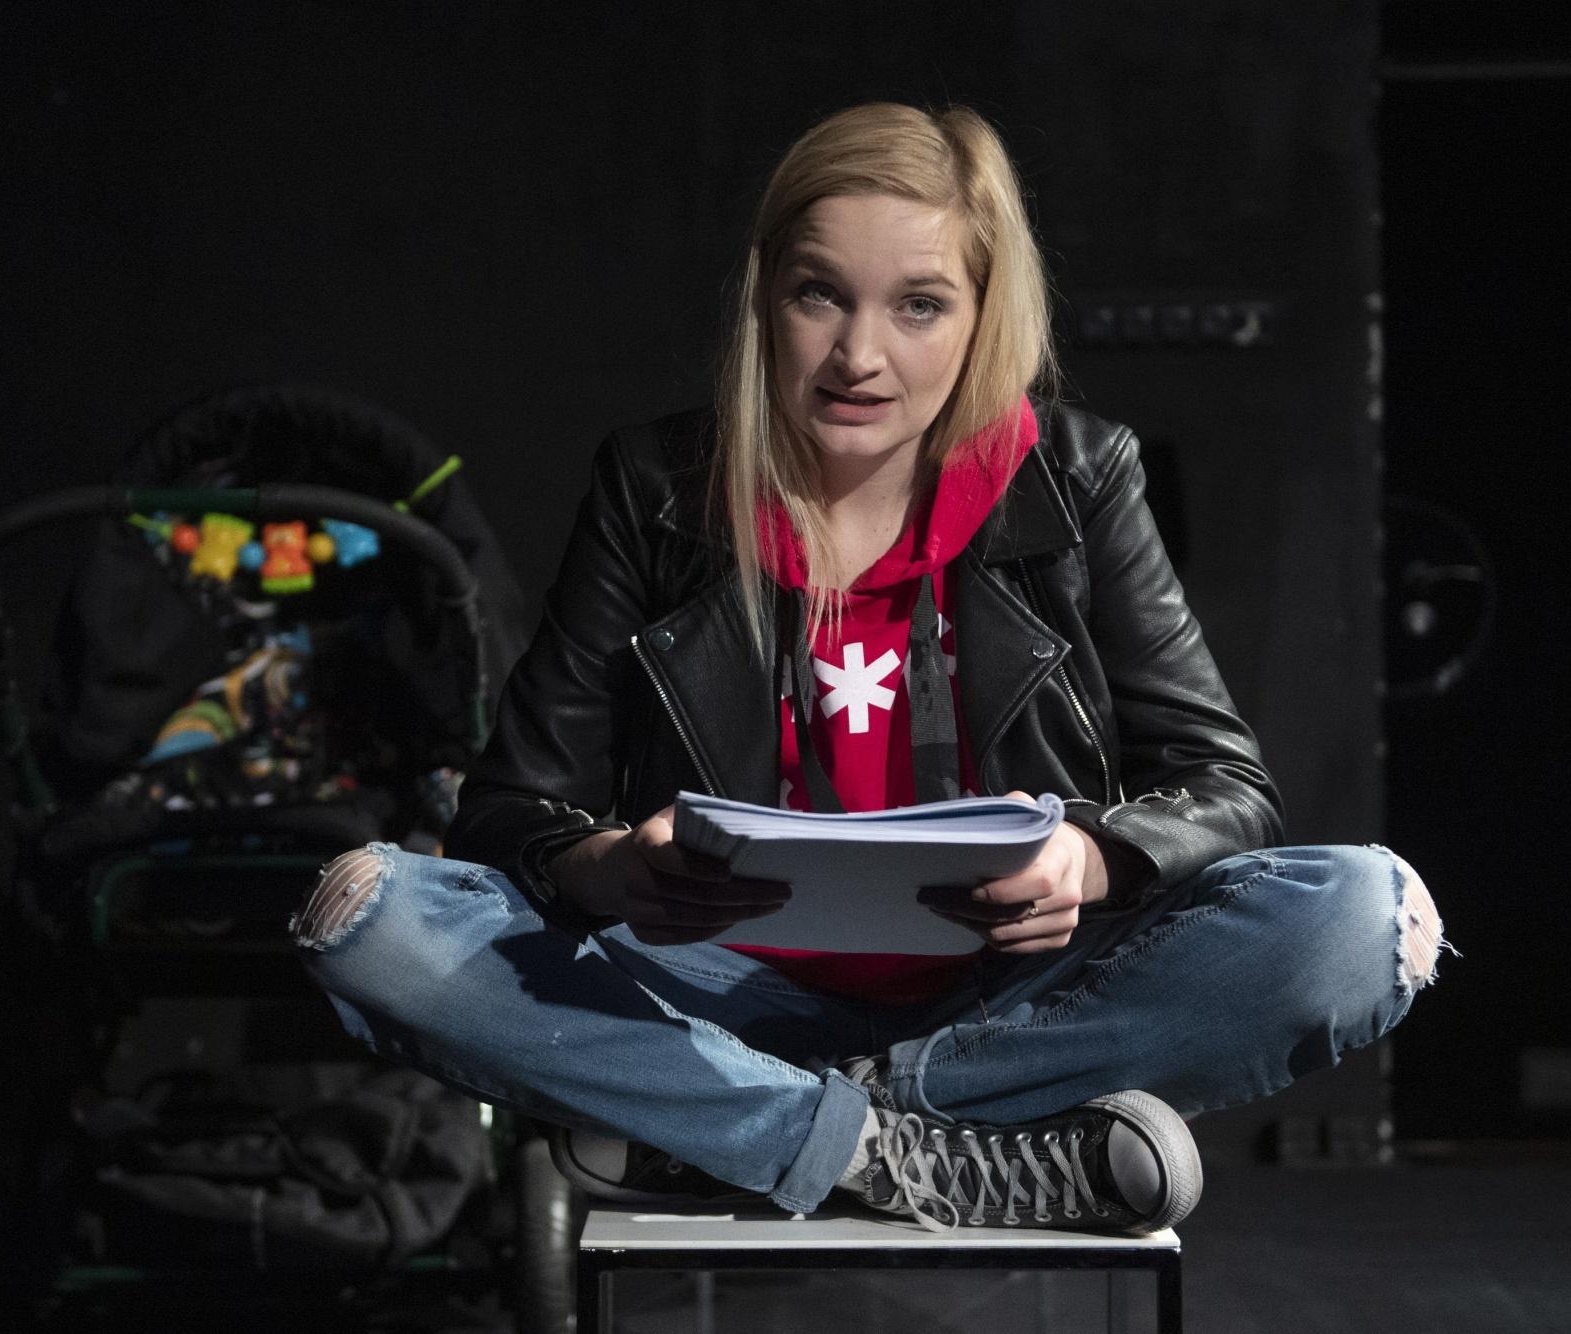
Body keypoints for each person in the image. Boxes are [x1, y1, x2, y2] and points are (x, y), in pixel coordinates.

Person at [291, 102, 1443, 1234]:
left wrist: (1088, 858)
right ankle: (943, 1145)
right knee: (371, 914)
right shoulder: (656, 486)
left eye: (918, 305)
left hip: (1010, 1000)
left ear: (983, 316)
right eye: (818, 294)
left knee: (1362, 915)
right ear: (764, 295)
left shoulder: (1077, 480)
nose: (857, 355)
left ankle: (764, 1128)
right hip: (709, 995)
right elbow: (506, 812)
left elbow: (1224, 787)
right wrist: (611, 869)